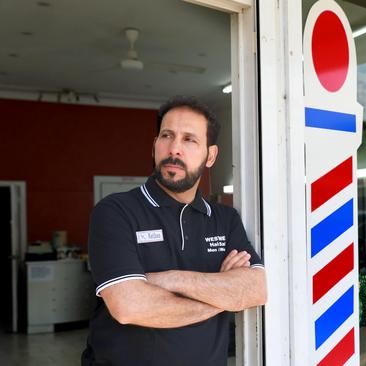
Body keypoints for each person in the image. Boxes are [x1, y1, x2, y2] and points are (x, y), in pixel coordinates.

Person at [82, 96, 267, 366]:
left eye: (189, 139)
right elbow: (129, 307)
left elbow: (255, 290)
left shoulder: (224, 220)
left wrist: (171, 279)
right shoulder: (116, 211)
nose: (174, 149)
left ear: (210, 155)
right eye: (167, 136)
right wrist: (223, 296)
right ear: (154, 145)